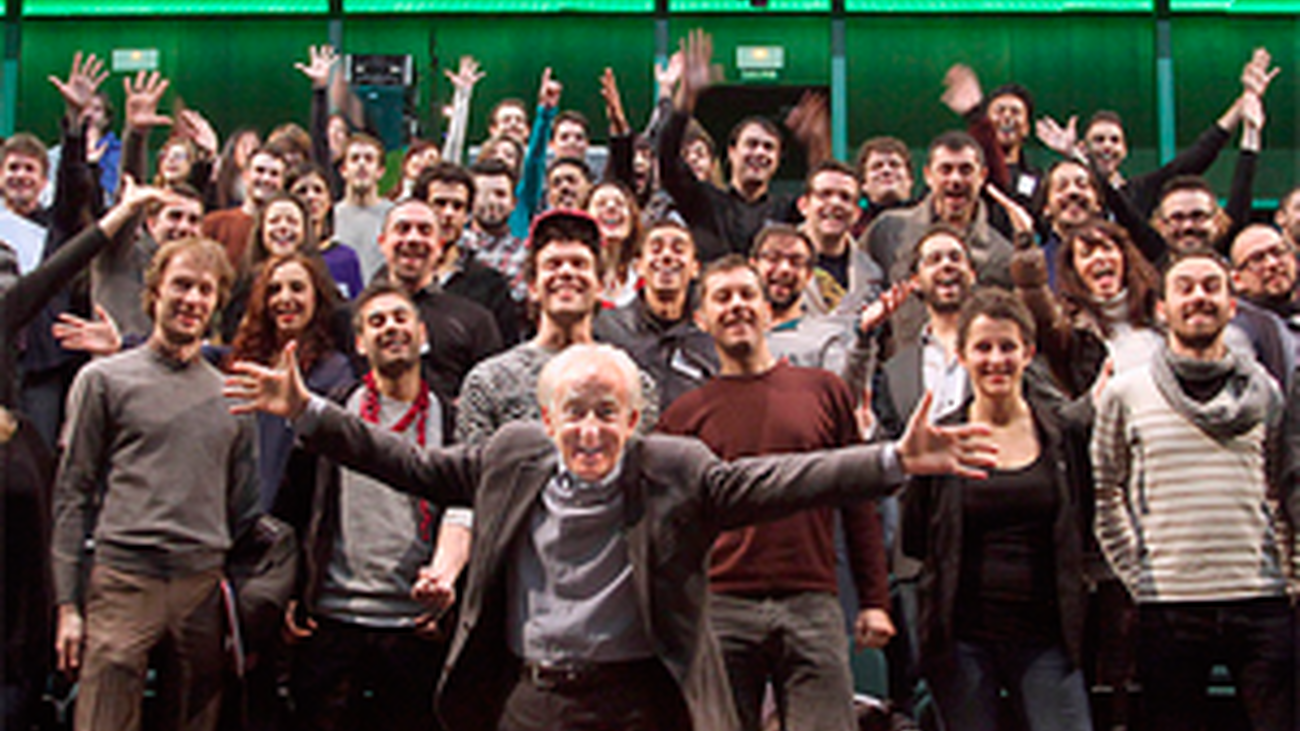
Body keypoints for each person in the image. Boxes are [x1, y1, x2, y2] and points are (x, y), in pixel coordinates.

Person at [224, 333, 995, 731]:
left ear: (634, 420)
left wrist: (895, 457)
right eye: (575, 412)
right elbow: (411, 463)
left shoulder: (675, 468)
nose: (590, 430)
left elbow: (782, 480)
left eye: (607, 413)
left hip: (641, 705)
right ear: (548, 417)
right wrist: (309, 412)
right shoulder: (512, 454)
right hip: (533, 702)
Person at [659, 256, 891, 731]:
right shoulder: (682, 416)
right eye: (722, 297)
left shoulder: (824, 392)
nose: (737, 306)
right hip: (721, 609)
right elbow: (671, 532)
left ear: (768, 310)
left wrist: (873, 599)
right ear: (701, 320)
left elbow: (858, 502)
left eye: (747, 295)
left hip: (812, 602)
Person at [52, 235, 260, 731]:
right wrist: (67, 605)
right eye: (181, 285)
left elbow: (242, 506)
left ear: (217, 303)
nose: (192, 299)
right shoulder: (104, 381)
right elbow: (72, 494)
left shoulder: (235, 400)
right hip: (123, 579)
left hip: (200, 587)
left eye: (204, 290)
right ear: (155, 292)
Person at [1092, 249, 1295, 731]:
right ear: (1162, 308)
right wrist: (1138, 575)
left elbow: (1285, 486)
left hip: (1262, 597)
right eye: (1185, 287)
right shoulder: (1127, 392)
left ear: (1231, 305)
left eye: (1211, 287)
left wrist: (1292, 574)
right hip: (1169, 604)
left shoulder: (1265, 390)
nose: (1199, 297)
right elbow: (1105, 491)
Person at [0, 177, 165, 730]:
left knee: (28, 589)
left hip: (13, 460)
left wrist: (125, 211)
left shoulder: (7, 307)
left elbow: (64, 263)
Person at [280, 282, 467, 731]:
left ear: (422, 334)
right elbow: (295, 506)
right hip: (332, 620)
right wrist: (290, 591)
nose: (391, 328)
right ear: (360, 342)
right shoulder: (332, 412)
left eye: (400, 318)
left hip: (415, 626)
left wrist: (447, 602)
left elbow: (466, 514)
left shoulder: (451, 417)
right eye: (376, 321)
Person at [903, 288, 1092, 731]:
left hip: (1048, 636)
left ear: (1027, 352)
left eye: (1007, 346)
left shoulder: (1062, 435)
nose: (996, 359)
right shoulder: (941, 439)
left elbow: (1081, 526)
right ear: (963, 355)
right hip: (962, 639)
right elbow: (915, 539)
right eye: (982, 347)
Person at [456, 208, 659, 446]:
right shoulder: (489, 382)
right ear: (532, 286)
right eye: (553, 264)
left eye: (579, 264)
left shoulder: (632, 383)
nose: (566, 272)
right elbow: (474, 474)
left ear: (600, 286)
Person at [659, 30, 828, 262]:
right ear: (731, 152)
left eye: (769, 147)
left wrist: (818, 145)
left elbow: (823, 197)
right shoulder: (703, 202)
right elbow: (666, 159)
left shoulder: (787, 211)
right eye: (751, 144)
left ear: (778, 160)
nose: (759, 152)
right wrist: (686, 99)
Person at [227, 253, 352, 510]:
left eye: (297, 288)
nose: (285, 298)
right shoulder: (241, 362)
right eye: (274, 290)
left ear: (315, 297)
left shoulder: (333, 370)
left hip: (297, 510)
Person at [374, 198, 503, 407]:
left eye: (424, 230)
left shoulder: (475, 320)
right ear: (382, 242)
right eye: (403, 229)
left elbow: (492, 397)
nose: (413, 238)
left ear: (440, 246)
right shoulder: (353, 317)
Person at [594, 218, 717, 411]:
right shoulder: (605, 328)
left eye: (678, 249)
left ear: (695, 268)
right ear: (638, 266)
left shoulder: (711, 340)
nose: (667, 256)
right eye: (656, 248)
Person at [287, 161, 364, 300]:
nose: (311, 197)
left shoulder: (346, 258)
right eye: (302, 191)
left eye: (318, 190)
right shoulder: (283, 257)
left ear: (329, 201)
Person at [203, 146, 287, 266]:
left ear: (282, 182)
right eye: (260, 170)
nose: (266, 179)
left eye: (274, 174)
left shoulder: (287, 232)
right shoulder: (214, 224)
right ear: (245, 176)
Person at [332, 133, 394, 284]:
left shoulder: (394, 216)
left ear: (380, 171)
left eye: (369, 159)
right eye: (355, 158)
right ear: (344, 170)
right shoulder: (330, 216)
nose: (361, 164)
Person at [585, 179, 642, 307]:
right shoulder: (576, 277)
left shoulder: (646, 275)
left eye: (620, 204)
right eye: (600, 204)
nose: (611, 207)